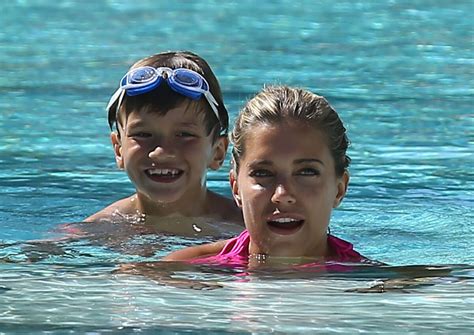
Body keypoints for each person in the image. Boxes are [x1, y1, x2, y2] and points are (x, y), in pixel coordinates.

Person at [162, 85, 373, 266]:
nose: (282, 194)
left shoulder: (372, 285)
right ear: (235, 187)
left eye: (307, 172)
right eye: (263, 173)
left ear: (339, 189)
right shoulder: (184, 271)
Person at [83, 51, 242, 237]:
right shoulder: (97, 231)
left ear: (218, 152)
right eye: (143, 134)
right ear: (118, 150)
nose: (161, 152)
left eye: (184, 135)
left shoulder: (246, 227)